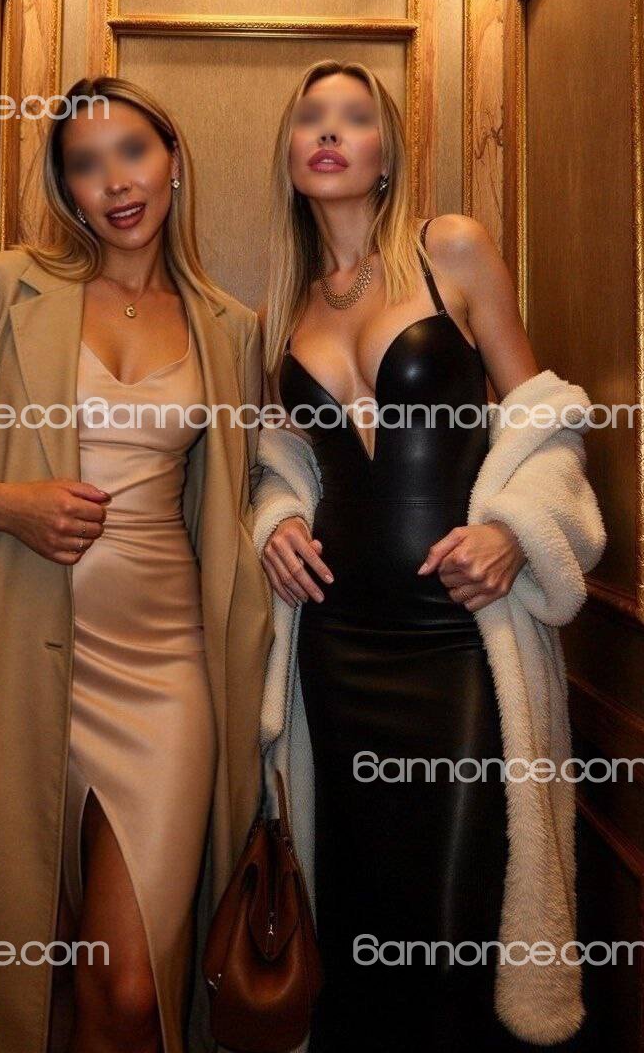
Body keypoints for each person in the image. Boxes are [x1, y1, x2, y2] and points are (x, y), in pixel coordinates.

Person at [0, 77, 271, 1053]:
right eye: (86, 165)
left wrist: (289, 521)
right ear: (66, 188)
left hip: (167, 666)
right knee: (16, 973)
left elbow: (252, 484)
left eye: (133, 151)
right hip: (11, 649)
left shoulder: (230, 327)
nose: (116, 182)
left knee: (129, 991)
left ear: (172, 159)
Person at [259, 59, 547, 1051]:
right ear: (290, 153)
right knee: (357, 901)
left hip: (457, 629)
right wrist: (275, 523)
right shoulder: (283, 306)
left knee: (454, 910)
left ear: (386, 154)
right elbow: (279, 466)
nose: (329, 131)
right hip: (336, 638)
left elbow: (542, 417)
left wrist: (516, 529)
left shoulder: (449, 248)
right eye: (311, 117)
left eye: (355, 116)